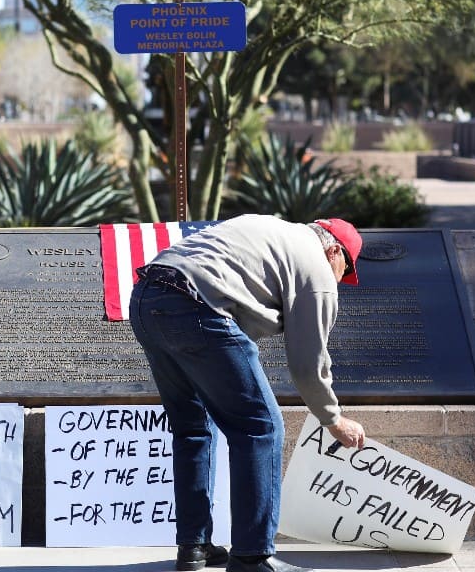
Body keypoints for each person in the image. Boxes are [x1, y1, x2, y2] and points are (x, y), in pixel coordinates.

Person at [128, 216, 367, 572]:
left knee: (192, 428)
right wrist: (333, 419)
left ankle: (194, 546)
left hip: (146, 298)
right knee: (261, 429)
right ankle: (253, 557)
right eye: (344, 270)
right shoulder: (317, 270)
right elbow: (307, 366)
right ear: (334, 250)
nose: (339, 281)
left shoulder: (273, 229)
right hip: (196, 306)